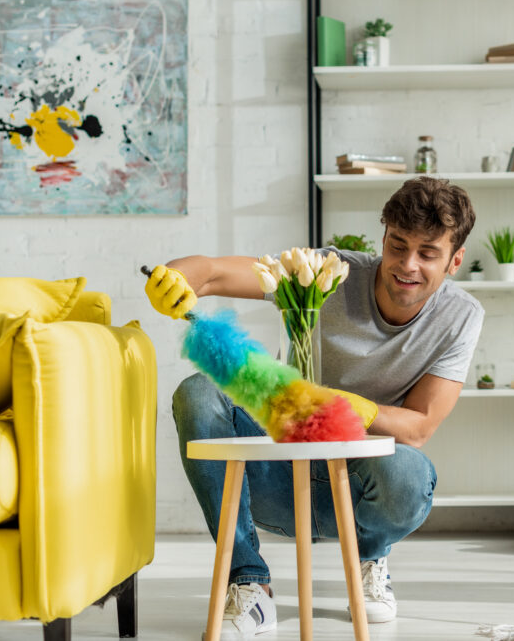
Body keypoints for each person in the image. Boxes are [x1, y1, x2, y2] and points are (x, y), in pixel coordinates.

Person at [144, 176, 484, 637]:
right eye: (398, 245)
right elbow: (215, 271)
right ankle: (248, 583)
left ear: (455, 260)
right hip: (275, 472)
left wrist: (353, 408)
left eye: (428, 253)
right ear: (383, 237)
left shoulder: (460, 316)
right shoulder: (327, 272)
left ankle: (370, 557)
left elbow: (420, 425)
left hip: (358, 485)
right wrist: (178, 277)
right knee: (198, 391)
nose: (407, 264)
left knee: (411, 474)